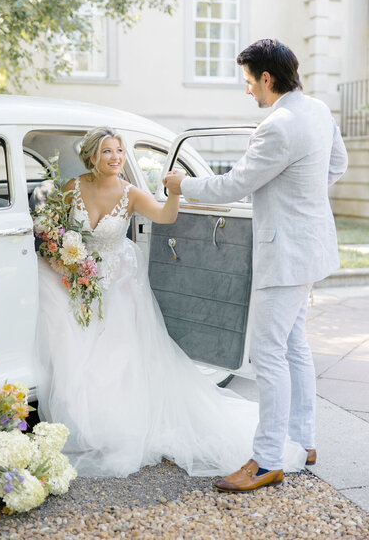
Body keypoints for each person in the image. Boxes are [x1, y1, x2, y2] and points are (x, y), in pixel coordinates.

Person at [36, 125, 307, 479]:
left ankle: (111, 423)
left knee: (115, 353)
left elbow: (165, 216)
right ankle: (79, 415)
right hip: (75, 274)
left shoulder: (129, 193)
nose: (116, 157)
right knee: (68, 336)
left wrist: (175, 190)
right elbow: (49, 224)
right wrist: (56, 251)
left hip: (116, 281)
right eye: (107, 151)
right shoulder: (72, 187)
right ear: (91, 156)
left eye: (118, 150)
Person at [164, 38, 348, 492]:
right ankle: (302, 441)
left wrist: (182, 183)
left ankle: (267, 460)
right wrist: (301, 197)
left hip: (284, 253)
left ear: (267, 78)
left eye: (248, 81)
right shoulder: (320, 110)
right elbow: (337, 164)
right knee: (294, 347)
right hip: (310, 248)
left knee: (268, 353)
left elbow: (234, 185)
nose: (247, 90)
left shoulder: (278, 125)